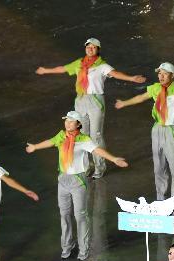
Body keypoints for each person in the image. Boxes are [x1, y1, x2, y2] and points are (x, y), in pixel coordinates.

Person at [115, 62, 174, 221]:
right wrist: (124, 103)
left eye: (165, 73)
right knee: (159, 168)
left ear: (172, 76)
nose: (161, 76)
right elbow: (141, 97)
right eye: (159, 73)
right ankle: (161, 203)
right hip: (157, 130)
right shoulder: (155, 88)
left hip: (171, 131)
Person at [35, 38, 145, 179]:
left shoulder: (102, 66)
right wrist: (46, 70)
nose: (90, 49)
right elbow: (63, 68)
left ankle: (99, 168)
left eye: (94, 47)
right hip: (80, 100)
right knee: (81, 136)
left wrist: (131, 78)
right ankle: (86, 167)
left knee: (95, 136)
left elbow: (115, 73)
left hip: (95, 101)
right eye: (88, 47)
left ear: (98, 49)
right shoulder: (79, 63)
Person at [25, 112, 128, 260]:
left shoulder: (84, 140)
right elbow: (51, 141)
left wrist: (113, 159)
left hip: (78, 181)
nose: (67, 123)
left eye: (71, 121)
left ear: (78, 124)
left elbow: (97, 150)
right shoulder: (61, 136)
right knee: (64, 215)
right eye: (66, 120)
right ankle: (67, 246)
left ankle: (84, 249)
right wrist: (35, 146)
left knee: (80, 216)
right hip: (63, 179)